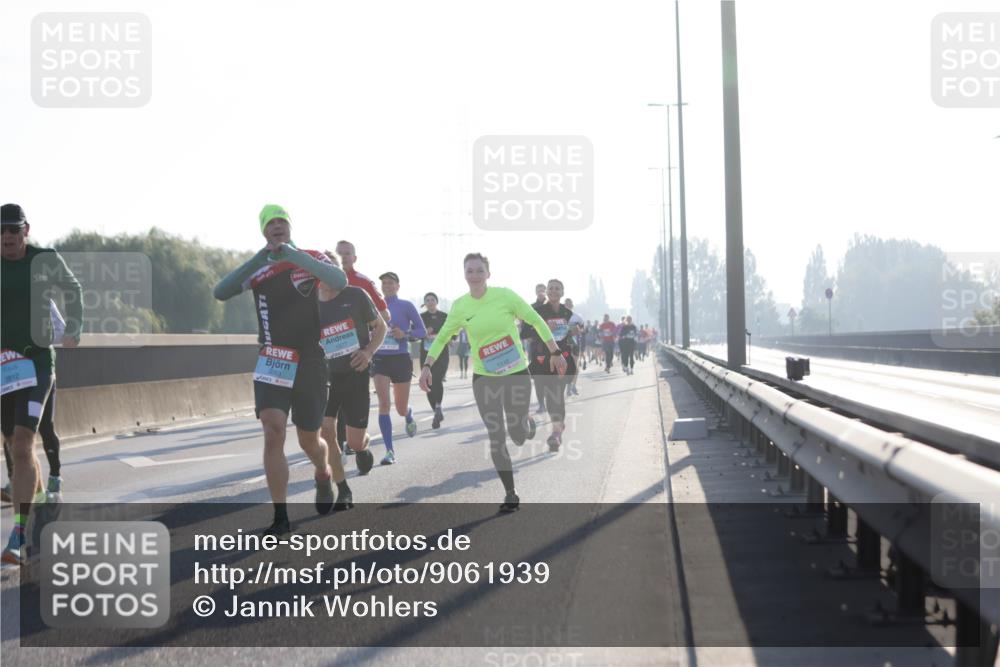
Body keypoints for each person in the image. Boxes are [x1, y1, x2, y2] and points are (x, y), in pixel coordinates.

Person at [213, 204, 348, 535]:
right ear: (263, 230)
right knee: (273, 432)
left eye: (281, 221)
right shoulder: (258, 268)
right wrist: (263, 257)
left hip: (311, 360)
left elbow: (338, 280)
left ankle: (322, 471)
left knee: (309, 440)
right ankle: (280, 515)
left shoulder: (311, 257)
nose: (277, 226)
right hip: (273, 358)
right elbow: (221, 292)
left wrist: (293, 255)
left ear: (290, 227)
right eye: (270, 223)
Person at [419, 254, 565, 512]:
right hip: (485, 378)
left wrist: (555, 352)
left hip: (517, 374)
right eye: (469, 271)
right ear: (464, 275)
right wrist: (427, 366)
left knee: (518, 435)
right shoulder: (461, 306)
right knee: (496, 435)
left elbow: (535, 320)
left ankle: (526, 423)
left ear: (488, 273)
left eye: (479, 270)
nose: (474, 275)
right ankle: (510, 492)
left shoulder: (505, 296)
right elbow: (442, 338)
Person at [1, 203, 83, 565]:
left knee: (23, 443)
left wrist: (75, 326)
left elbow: (73, 288)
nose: (7, 237)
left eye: (13, 231)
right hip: (3, 366)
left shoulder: (44, 259)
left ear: (26, 231)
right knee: (16, 449)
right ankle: (34, 517)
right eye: (1, 231)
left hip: (36, 362)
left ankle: (17, 535)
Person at [316, 252, 387, 498]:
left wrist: (368, 352)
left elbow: (381, 327)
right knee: (326, 430)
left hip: (355, 372)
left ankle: (362, 448)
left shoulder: (356, 295)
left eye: (332, 269)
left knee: (354, 441)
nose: (327, 275)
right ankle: (342, 487)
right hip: (324, 375)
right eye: (321, 269)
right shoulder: (309, 301)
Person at [333, 240, 389, 457]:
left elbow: (385, 316)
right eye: (340, 253)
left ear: (354, 258)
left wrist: (368, 346)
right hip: (330, 355)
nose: (344, 257)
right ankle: (339, 450)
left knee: (350, 406)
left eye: (348, 253)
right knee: (333, 407)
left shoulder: (363, 283)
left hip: (358, 355)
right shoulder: (321, 281)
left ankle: (358, 444)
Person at [372, 272, 426, 465]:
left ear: (397, 286)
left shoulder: (406, 306)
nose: (387, 286)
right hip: (380, 360)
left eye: (390, 283)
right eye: (384, 283)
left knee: (400, 408)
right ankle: (389, 451)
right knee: (384, 404)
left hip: (401, 359)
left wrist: (405, 333)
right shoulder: (374, 305)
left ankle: (408, 415)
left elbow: (422, 331)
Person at [525, 280, 577, 451]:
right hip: (541, 360)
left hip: (562, 359)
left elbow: (575, 333)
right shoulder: (537, 312)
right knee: (548, 397)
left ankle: (556, 432)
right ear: (546, 292)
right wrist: (542, 328)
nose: (554, 291)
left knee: (557, 394)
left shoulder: (567, 313)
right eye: (551, 288)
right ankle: (559, 425)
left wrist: (573, 332)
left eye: (557, 289)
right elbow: (524, 332)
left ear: (562, 292)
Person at [419, 292, 451, 429]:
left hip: (442, 354)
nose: (430, 302)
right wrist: (423, 332)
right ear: (424, 303)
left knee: (437, 379)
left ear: (436, 301)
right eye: (427, 300)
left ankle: (438, 406)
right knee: (427, 382)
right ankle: (436, 411)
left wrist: (437, 334)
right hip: (426, 354)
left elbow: (452, 335)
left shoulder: (444, 316)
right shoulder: (421, 318)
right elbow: (414, 334)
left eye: (432, 299)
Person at [564, 298, 585, 395]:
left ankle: (573, 386)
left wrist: (577, 330)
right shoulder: (560, 316)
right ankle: (568, 385)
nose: (568, 305)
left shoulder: (578, 317)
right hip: (564, 343)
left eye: (569, 304)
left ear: (572, 305)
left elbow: (582, 329)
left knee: (575, 365)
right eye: (566, 304)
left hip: (575, 343)